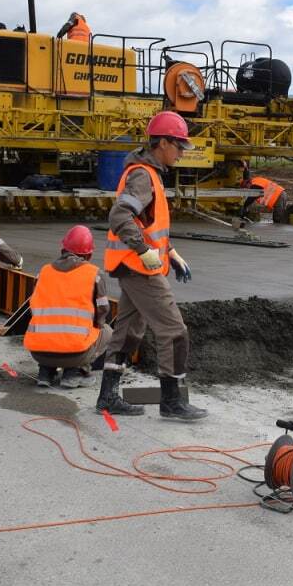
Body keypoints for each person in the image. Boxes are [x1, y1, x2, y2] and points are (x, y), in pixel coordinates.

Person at [99, 110, 205, 421]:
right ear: (162, 142)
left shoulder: (150, 174)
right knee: (174, 331)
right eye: (179, 145)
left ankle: (107, 397)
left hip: (133, 265)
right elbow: (119, 216)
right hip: (139, 268)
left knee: (128, 331)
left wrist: (171, 253)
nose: (182, 152)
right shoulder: (143, 175)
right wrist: (145, 250)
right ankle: (172, 402)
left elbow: (147, 223)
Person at [26, 225, 113, 390]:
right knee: (107, 332)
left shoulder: (43, 272)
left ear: (62, 250)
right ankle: (75, 372)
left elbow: (34, 306)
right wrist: (94, 325)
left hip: (38, 352)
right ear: (89, 254)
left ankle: (46, 372)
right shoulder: (94, 274)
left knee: (50, 333)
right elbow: (103, 310)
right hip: (74, 353)